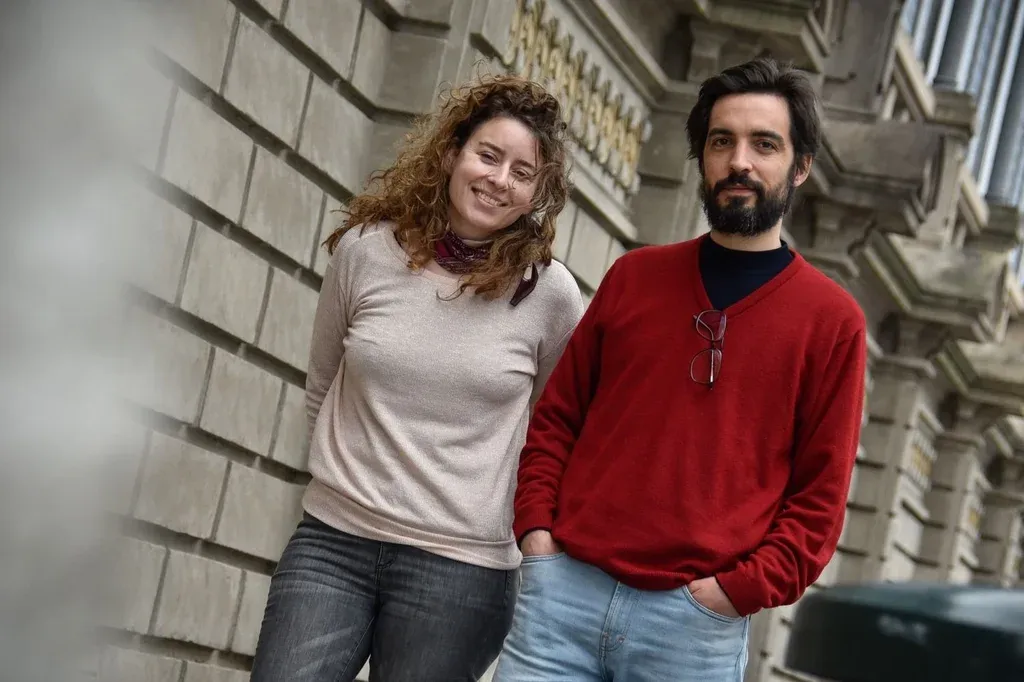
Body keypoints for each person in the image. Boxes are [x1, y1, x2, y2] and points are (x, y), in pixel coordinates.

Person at [492, 57, 868, 682]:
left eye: (764, 144)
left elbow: (819, 500)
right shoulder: (634, 277)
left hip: (694, 631)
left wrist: (737, 591)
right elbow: (557, 418)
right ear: (703, 157)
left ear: (800, 166)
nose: (739, 161)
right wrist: (536, 533)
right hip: (563, 600)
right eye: (721, 142)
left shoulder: (832, 322)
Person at [249, 74, 584, 682]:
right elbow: (323, 382)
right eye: (488, 155)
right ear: (452, 153)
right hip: (333, 543)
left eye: (522, 172)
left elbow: (556, 427)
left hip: (461, 569)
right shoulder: (365, 252)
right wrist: (345, 482)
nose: (499, 179)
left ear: (538, 191)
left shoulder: (549, 294)